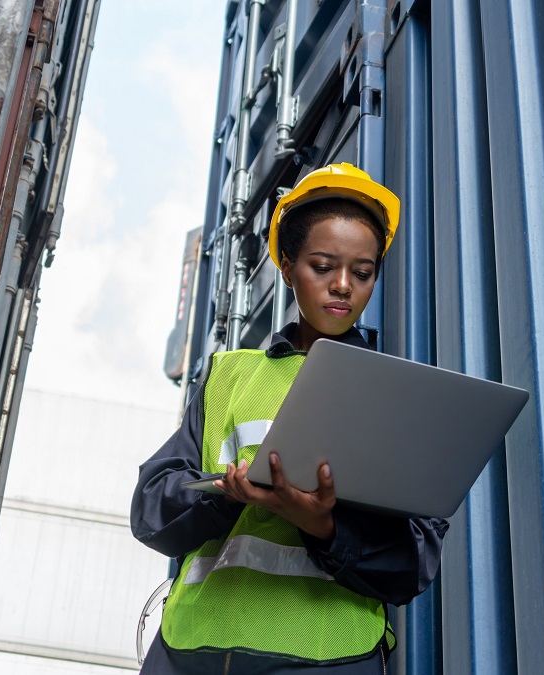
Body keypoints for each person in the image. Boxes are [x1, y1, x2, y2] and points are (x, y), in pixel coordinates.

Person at [131, 163, 449, 673]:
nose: (343, 285)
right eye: (323, 266)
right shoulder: (229, 376)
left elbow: (413, 563)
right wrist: (225, 495)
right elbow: (152, 509)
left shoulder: (396, 394)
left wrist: (321, 526)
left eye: (363, 273)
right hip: (194, 649)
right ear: (286, 266)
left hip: (327, 656)